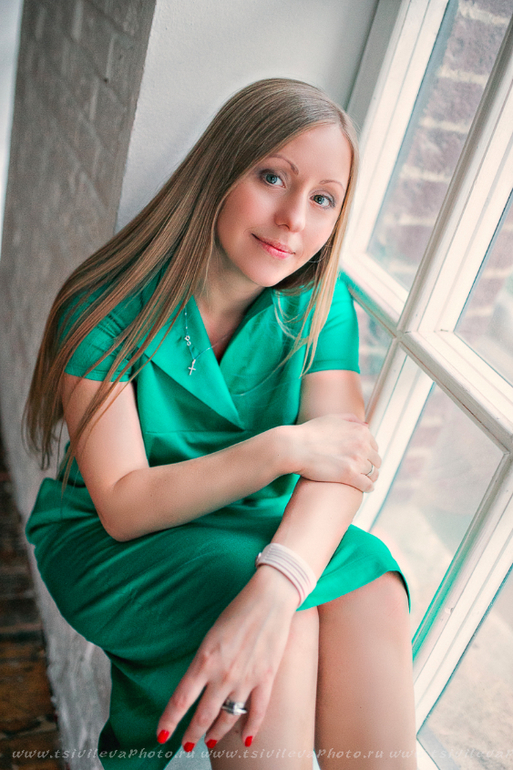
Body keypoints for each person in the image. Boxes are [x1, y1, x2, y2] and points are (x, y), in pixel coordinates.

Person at [24, 78, 416, 768]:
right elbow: (124, 504)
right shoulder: (105, 305)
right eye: (273, 177)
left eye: (323, 198)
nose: (293, 219)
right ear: (220, 171)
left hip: (249, 530)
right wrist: (280, 449)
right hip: (114, 538)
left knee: (373, 587)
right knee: (285, 626)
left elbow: (344, 462)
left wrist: (279, 582)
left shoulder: (320, 306)